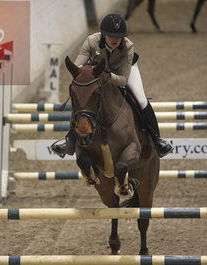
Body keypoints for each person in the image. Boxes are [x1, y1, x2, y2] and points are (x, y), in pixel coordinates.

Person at [51, 13, 173, 158]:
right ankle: (69, 141)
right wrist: (90, 70)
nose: (115, 39)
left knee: (140, 99)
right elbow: (77, 68)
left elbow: (122, 80)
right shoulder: (91, 41)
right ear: (103, 34)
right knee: (83, 100)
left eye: (119, 36)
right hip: (97, 72)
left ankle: (157, 140)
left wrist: (108, 76)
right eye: (111, 35)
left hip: (122, 72)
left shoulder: (128, 46)